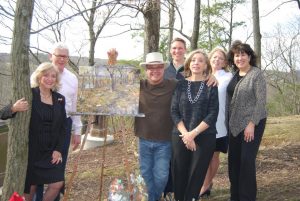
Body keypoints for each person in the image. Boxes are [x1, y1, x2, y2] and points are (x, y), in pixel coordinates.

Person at [34, 42, 82, 201]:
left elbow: (74, 105)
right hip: (40, 127)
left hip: (64, 126)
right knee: (36, 171)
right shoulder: (39, 75)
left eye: (65, 56)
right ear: (50, 56)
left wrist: (77, 130)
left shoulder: (72, 78)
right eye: (58, 55)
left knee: (57, 167)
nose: (62, 59)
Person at [171, 49, 219, 201]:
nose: (196, 63)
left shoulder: (211, 85)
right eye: (193, 60)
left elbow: (213, 114)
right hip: (180, 136)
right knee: (179, 173)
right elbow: (173, 111)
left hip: (204, 137)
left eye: (200, 61)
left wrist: (193, 134)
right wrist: (186, 134)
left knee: (196, 175)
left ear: (206, 66)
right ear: (188, 63)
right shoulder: (180, 85)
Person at [226, 40, 267, 201]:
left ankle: (247, 197)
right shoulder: (234, 75)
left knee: (246, 161)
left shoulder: (256, 74)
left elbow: (261, 102)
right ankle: (235, 196)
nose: (240, 58)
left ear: (249, 57)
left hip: (253, 124)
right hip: (234, 125)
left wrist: (251, 124)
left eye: (243, 54)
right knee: (234, 162)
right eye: (237, 55)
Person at [135, 52, 177, 201]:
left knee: (161, 175)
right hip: (144, 139)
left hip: (165, 141)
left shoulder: (173, 84)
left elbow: (194, 82)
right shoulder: (138, 85)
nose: (155, 71)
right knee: (145, 174)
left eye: (158, 67)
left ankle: (152, 197)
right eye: (151, 68)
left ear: (163, 69)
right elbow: (115, 82)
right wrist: (112, 60)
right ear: (146, 70)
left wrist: (211, 75)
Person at [24, 62, 66, 201]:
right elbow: (4, 113)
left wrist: (58, 149)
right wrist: (13, 108)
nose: (50, 79)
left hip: (51, 151)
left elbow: (63, 127)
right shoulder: (29, 94)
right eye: (46, 75)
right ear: (39, 76)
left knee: (57, 183)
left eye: (53, 76)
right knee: (30, 188)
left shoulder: (60, 99)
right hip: (32, 151)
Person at [200, 47, 233, 197]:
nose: (217, 60)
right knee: (203, 156)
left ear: (225, 62)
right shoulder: (201, 74)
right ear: (210, 59)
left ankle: (206, 185)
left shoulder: (228, 77)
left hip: (220, 123)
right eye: (214, 57)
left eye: (220, 58)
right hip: (201, 123)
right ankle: (205, 183)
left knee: (214, 155)